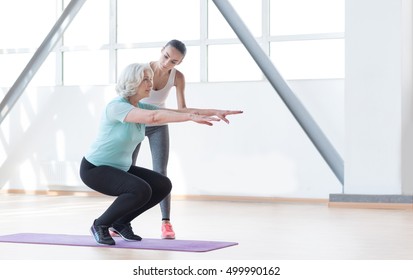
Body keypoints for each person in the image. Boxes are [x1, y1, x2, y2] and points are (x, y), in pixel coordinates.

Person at [79, 63, 242, 245]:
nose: (151, 83)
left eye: (150, 78)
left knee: (162, 185)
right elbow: (154, 118)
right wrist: (190, 118)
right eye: (146, 79)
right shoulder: (117, 107)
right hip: (95, 169)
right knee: (140, 189)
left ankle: (120, 222)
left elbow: (177, 111)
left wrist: (215, 112)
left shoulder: (140, 106)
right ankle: (100, 225)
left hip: (119, 168)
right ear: (132, 82)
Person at [131, 39, 235, 239]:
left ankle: (166, 223)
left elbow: (182, 109)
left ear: (178, 64)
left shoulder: (177, 78)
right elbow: (129, 100)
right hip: (136, 123)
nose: (167, 62)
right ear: (161, 51)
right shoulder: (142, 71)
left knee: (160, 173)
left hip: (159, 125)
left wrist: (213, 111)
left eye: (173, 62)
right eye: (166, 56)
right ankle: (121, 221)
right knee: (128, 170)